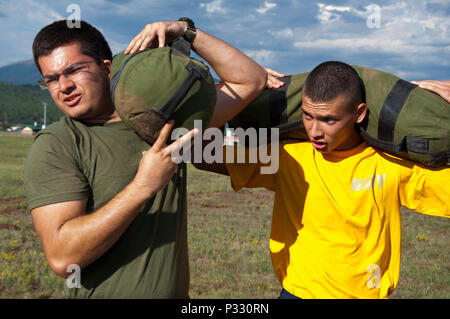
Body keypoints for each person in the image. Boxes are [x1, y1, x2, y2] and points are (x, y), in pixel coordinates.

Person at [24, 19, 266, 298]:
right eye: (51, 79)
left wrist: (184, 31)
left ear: (106, 68)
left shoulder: (161, 121)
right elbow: (63, 258)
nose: (63, 86)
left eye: (74, 71)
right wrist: (143, 186)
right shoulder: (58, 144)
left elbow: (249, 79)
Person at [195, 61, 449, 298]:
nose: (315, 131)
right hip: (296, 293)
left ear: (359, 113)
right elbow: (202, 153)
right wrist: (234, 90)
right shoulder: (289, 157)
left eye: (329, 120)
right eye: (307, 116)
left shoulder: (392, 165)